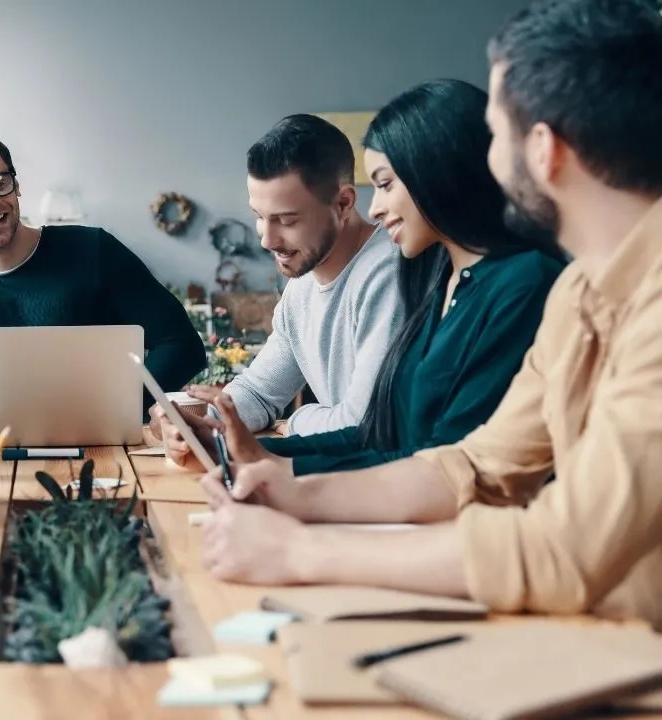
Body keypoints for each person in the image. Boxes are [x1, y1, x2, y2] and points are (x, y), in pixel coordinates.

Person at [197, 0, 662, 630]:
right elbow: (474, 465)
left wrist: (303, 549)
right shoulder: (580, 290)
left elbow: (566, 548)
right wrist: (296, 490)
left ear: (545, 151)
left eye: (497, 135)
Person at [159, 80, 567, 475]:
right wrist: (217, 434)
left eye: (385, 184)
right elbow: (392, 440)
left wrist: (286, 438)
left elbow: (412, 450)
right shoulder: (446, 281)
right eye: (258, 218)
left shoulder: (426, 274)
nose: (267, 239)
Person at [0, 121, 205, 417]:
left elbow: (181, 345)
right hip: (0, 461)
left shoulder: (93, 251)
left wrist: (116, 410)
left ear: (17, 184)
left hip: (104, 456)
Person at [166, 115, 404, 438]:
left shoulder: (387, 275)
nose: (267, 239)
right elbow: (258, 392)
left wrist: (294, 422)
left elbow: (363, 425)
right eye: (260, 217)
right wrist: (201, 427)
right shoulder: (301, 287)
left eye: (287, 221)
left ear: (344, 203)